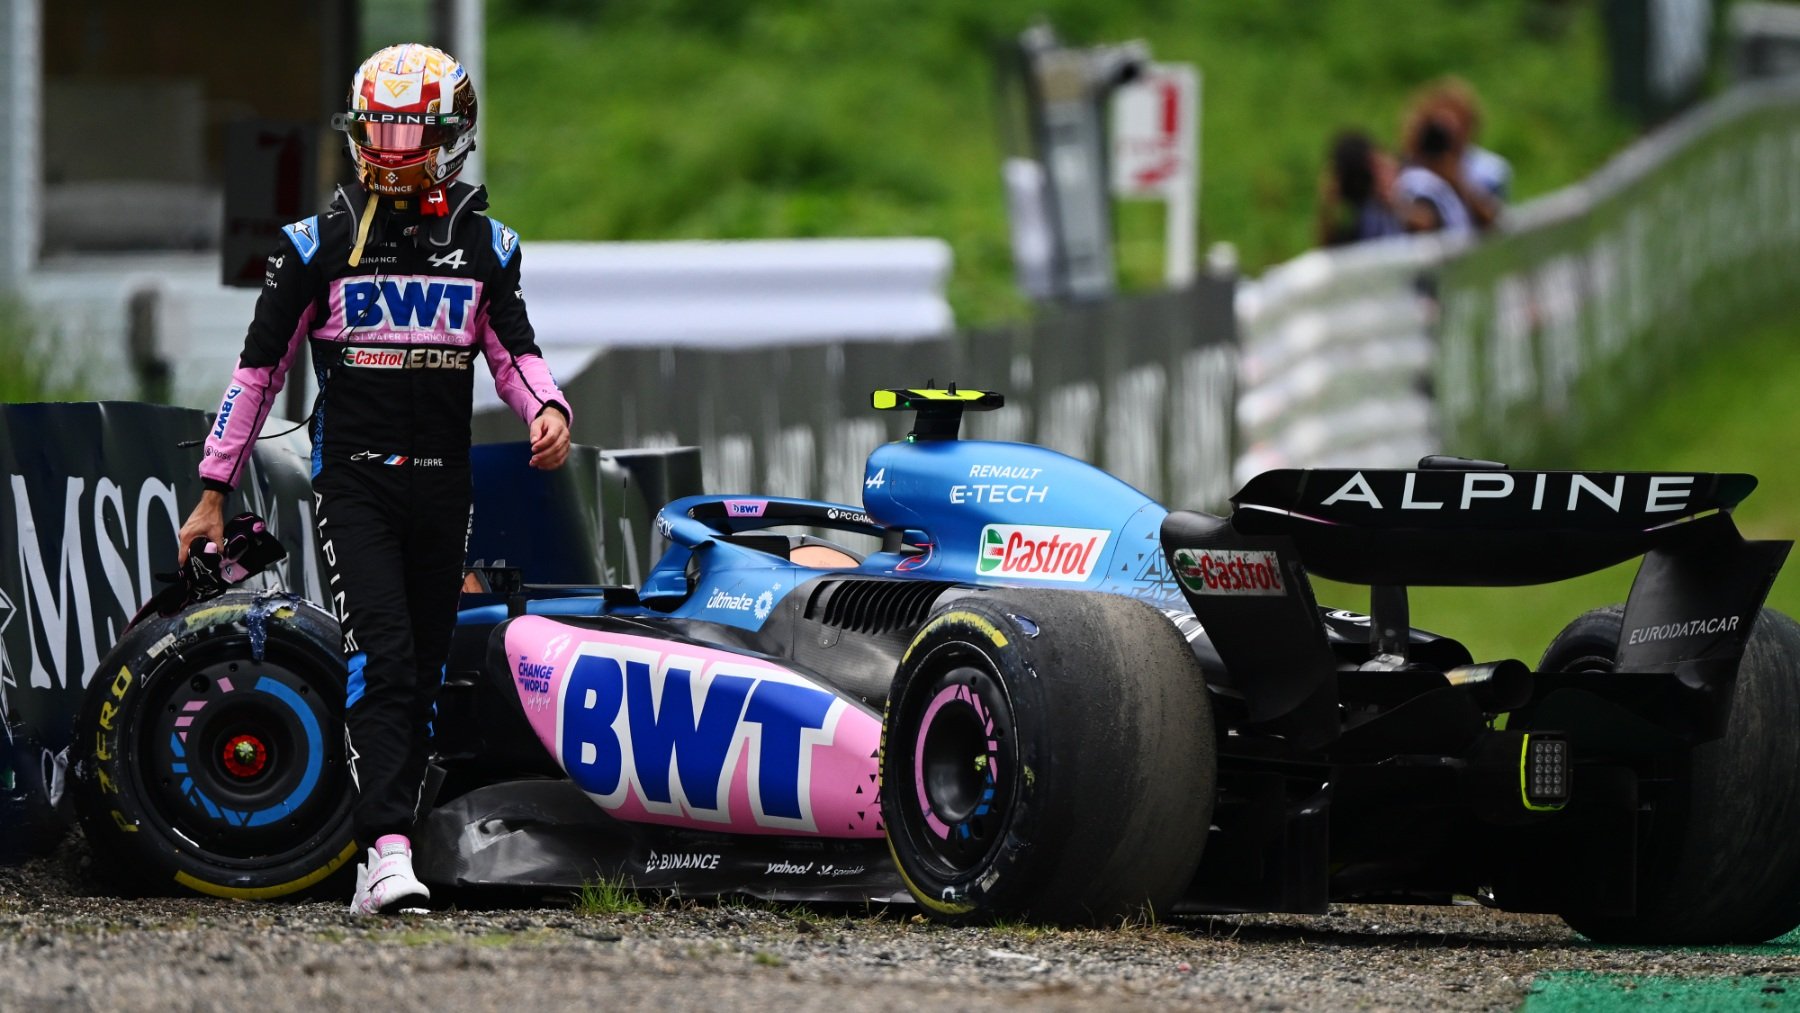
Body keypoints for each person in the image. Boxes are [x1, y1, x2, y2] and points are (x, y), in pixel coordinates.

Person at [175, 43, 573, 916]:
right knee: (383, 656)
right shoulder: (312, 245)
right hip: (353, 482)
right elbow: (257, 372)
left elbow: (517, 353)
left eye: (410, 129)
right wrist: (214, 489)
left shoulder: (485, 242)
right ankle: (383, 850)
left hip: (446, 485)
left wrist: (550, 410)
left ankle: (402, 838)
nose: (391, 147)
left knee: (425, 666)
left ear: (452, 136)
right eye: (378, 128)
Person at [1394, 92, 1491, 236]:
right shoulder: (1413, 178)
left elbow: (1492, 219)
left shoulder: (1480, 167)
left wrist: (1457, 183)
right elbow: (1424, 223)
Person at [1316, 130, 1403, 247]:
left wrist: (1394, 204)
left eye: (1378, 165)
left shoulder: (1415, 180)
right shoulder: (1365, 211)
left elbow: (1427, 224)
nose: (1378, 174)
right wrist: (1328, 208)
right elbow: (1330, 249)